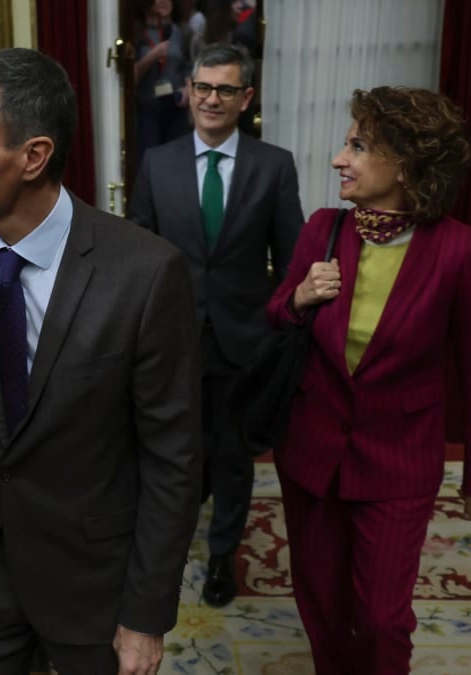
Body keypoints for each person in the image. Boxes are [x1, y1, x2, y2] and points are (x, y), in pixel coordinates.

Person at [0, 48, 202, 674]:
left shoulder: (146, 274)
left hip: (91, 591)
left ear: (33, 156)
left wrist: (145, 615)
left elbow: (172, 460)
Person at [266, 86, 471, 674]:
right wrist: (298, 296)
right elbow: (275, 316)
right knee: (321, 602)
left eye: (359, 146)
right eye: (347, 144)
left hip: (398, 460)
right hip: (312, 450)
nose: (338, 159)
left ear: (406, 162)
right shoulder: (322, 228)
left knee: (380, 619)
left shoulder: (461, 251)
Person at [128, 43, 303, 609]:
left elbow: (293, 258)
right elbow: (138, 250)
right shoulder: (157, 161)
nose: (211, 99)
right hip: (173, 339)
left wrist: (275, 326)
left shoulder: (273, 165)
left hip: (243, 339)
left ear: (245, 98)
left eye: (225, 90)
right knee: (177, 454)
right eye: (202, 87)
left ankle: (223, 556)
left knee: (231, 457)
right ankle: (169, 552)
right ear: (189, 91)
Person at [133, 0, 191, 165]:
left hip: (176, 105)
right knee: (152, 163)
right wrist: (153, 55)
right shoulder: (137, 33)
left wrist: (187, 87)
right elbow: (132, 76)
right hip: (148, 107)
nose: (164, 2)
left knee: (178, 161)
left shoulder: (177, 32)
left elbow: (187, 66)